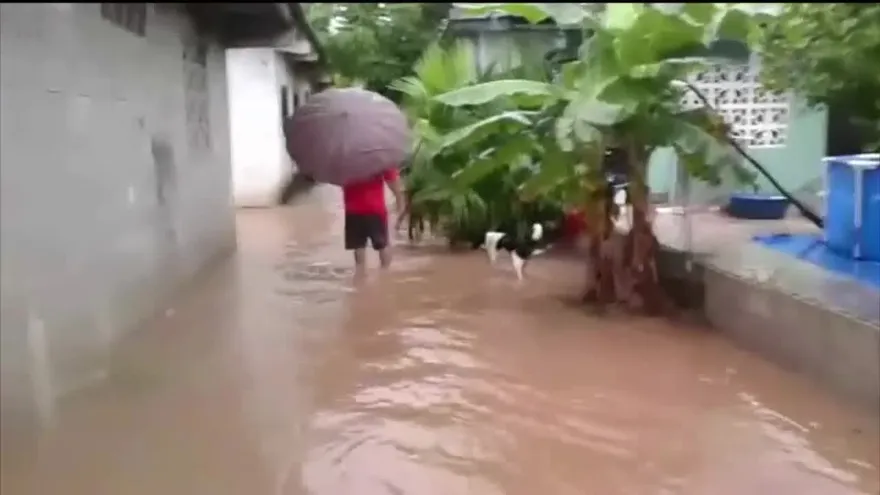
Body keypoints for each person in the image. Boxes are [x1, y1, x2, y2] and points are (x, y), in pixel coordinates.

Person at [342, 167, 405, 270]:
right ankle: (385, 275)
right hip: (375, 209)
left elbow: (337, 180)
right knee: (382, 245)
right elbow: (394, 182)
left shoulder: (346, 160)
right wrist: (400, 203)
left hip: (352, 209)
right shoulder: (378, 158)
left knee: (358, 247)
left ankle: (360, 277)